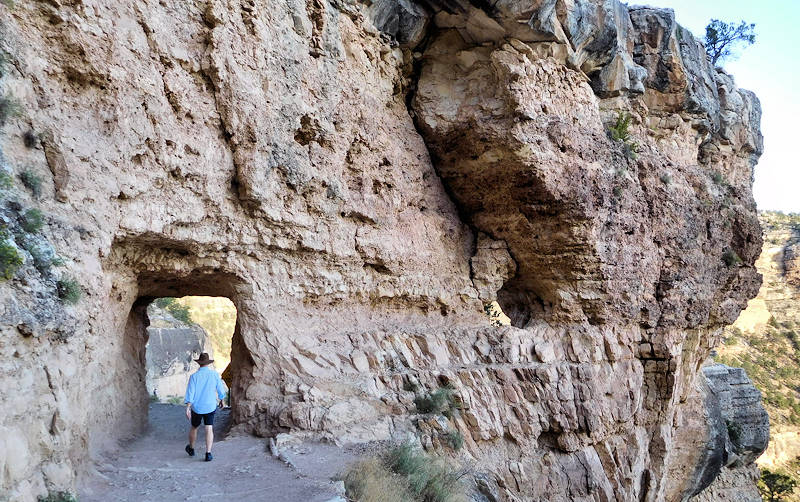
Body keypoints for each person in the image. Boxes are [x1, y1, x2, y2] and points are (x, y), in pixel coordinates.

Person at [184, 352, 226, 461]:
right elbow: (220, 389)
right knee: (209, 427)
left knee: (194, 427)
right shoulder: (214, 375)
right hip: (210, 405)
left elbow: (191, 393)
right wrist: (222, 399)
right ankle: (208, 453)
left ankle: (191, 449)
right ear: (207, 363)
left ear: (199, 363)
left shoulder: (194, 377)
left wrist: (188, 407)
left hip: (197, 407)